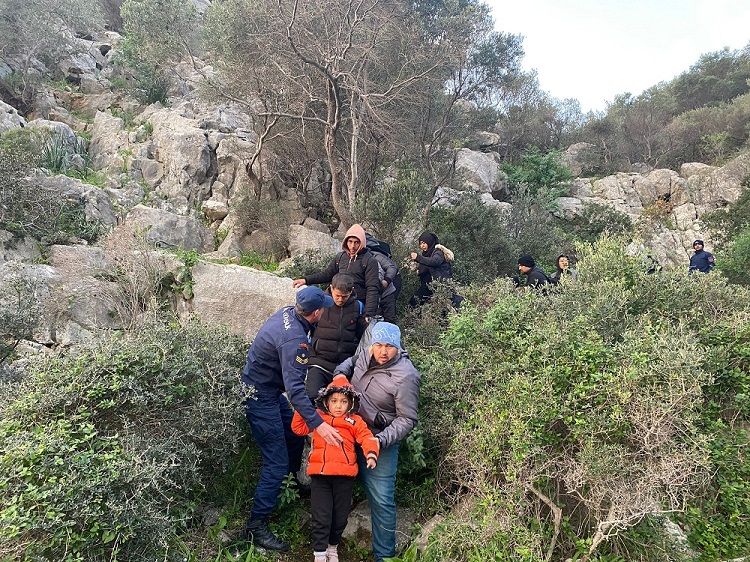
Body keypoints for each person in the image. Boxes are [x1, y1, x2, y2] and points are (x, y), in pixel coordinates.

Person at [240, 286, 344, 552]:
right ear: (316, 312)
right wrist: (319, 425)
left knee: (294, 434)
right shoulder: (294, 340)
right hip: (259, 396)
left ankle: (291, 483)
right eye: (324, 307)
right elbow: (296, 391)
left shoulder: (289, 312)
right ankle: (256, 525)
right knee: (276, 462)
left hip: (267, 389)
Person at [334, 322, 420, 562]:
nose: (383, 352)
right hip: (350, 431)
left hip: (379, 441)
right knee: (336, 482)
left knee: (382, 501)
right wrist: (341, 374)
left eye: (390, 347)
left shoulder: (407, 376)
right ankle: (330, 543)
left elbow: (407, 419)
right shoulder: (366, 352)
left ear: (398, 347)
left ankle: (384, 557)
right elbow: (351, 362)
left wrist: (379, 441)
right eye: (379, 345)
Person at [292, 378, 380, 562]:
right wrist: (303, 407)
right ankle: (319, 554)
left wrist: (371, 454)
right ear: (326, 401)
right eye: (334, 401)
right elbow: (298, 428)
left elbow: (367, 438)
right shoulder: (317, 417)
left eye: (343, 401)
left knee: (340, 518)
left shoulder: (354, 421)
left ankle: (333, 548)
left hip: (344, 477)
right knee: (321, 517)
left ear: (351, 403)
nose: (338, 406)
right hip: (320, 476)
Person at [293, 224, 381, 321]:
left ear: (362, 242)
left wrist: (368, 313)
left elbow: (372, 288)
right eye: (350, 242)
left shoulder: (369, 261)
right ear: (346, 241)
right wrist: (306, 280)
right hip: (335, 301)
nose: (352, 246)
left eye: (356, 242)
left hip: (355, 305)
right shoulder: (340, 257)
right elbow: (327, 275)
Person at [305, 272, 368, 402]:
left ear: (351, 291)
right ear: (331, 288)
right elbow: (306, 326)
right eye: (337, 295)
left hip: (344, 366)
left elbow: (362, 335)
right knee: (312, 397)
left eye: (344, 296)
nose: (340, 299)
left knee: (343, 404)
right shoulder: (319, 303)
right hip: (319, 362)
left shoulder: (358, 307)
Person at [408, 231, 454, 306]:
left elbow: (435, 262)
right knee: (415, 302)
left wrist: (418, 257)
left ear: (429, 242)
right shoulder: (427, 254)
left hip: (440, 287)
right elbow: (426, 266)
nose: (422, 246)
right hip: (429, 287)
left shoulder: (438, 252)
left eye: (424, 243)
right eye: (420, 243)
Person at [365, 232, 399, 323]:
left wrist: (386, 281)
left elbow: (391, 267)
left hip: (386, 292)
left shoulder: (376, 255)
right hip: (373, 295)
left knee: (389, 319)